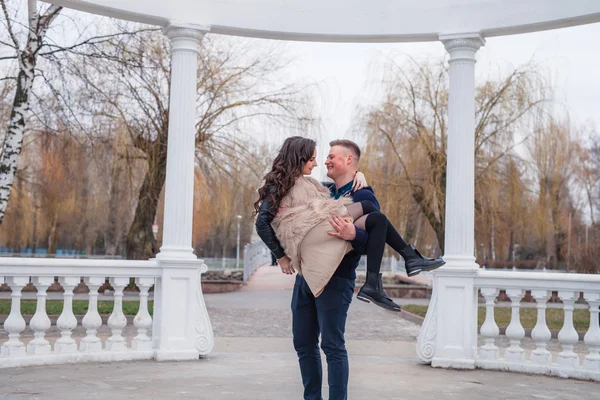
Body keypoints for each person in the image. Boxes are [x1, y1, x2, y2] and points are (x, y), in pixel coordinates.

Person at [254, 137, 443, 400]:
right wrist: (282, 255)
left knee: (332, 345)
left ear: (348, 161)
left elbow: (372, 242)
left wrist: (353, 234)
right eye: (323, 156)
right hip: (307, 275)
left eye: (331, 156)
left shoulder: (363, 194)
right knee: (303, 343)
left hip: (337, 277)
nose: (325, 161)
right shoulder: (323, 191)